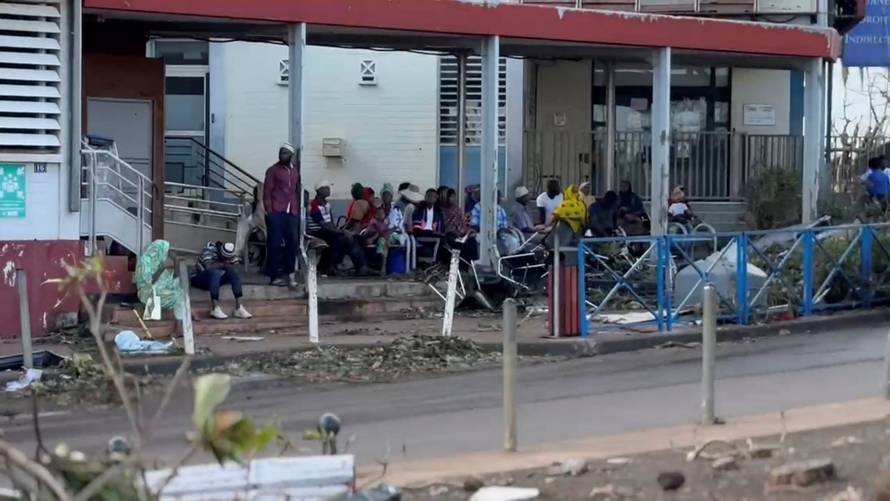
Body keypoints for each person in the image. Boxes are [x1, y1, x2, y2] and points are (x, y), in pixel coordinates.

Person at [308, 180, 367, 276]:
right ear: (320, 190)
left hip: (327, 231)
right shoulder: (314, 205)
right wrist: (341, 232)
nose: (329, 190)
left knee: (356, 238)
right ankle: (332, 266)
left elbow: (330, 223)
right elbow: (323, 225)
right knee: (341, 239)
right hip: (317, 232)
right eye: (326, 188)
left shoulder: (327, 204)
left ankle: (361, 266)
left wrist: (340, 231)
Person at [262, 143, 300, 287]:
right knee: (274, 244)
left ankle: (289, 274)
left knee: (292, 243)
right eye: (280, 152)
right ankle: (273, 276)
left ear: (291, 155)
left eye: (284, 153)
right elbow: (267, 191)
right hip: (276, 212)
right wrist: (269, 211)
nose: (281, 155)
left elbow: (296, 190)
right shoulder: (273, 170)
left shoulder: (295, 171)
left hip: (292, 212)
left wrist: (298, 209)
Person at [191, 241, 252, 319]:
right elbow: (208, 266)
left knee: (234, 273)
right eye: (224, 257)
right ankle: (215, 308)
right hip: (199, 277)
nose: (226, 259)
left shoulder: (230, 254)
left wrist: (230, 266)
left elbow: (238, 268)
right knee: (216, 272)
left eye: (228, 258)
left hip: (216, 280)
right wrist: (224, 264)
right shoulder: (210, 249)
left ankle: (239, 308)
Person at [135, 240, 184, 323]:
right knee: (154, 289)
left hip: (161, 291)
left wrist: (175, 267)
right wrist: (162, 269)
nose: (166, 254)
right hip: (145, 292)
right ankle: (152, 315)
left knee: (180, 293)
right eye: (165, 251)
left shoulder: (162, 262)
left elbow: (172, 281)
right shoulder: (144, 262)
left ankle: (180, 324)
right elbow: (149, 282)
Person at [441, 187, 479, 262]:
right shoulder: (442, 210)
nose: (453, 199)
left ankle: (471, 265)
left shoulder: (457, 209)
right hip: (449, 235)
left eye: (454, 197)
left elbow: (463, 224)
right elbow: (445, 225)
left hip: (460, 234)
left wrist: (468, 231)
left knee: (472, 241)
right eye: (451, 197)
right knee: (455, 243)